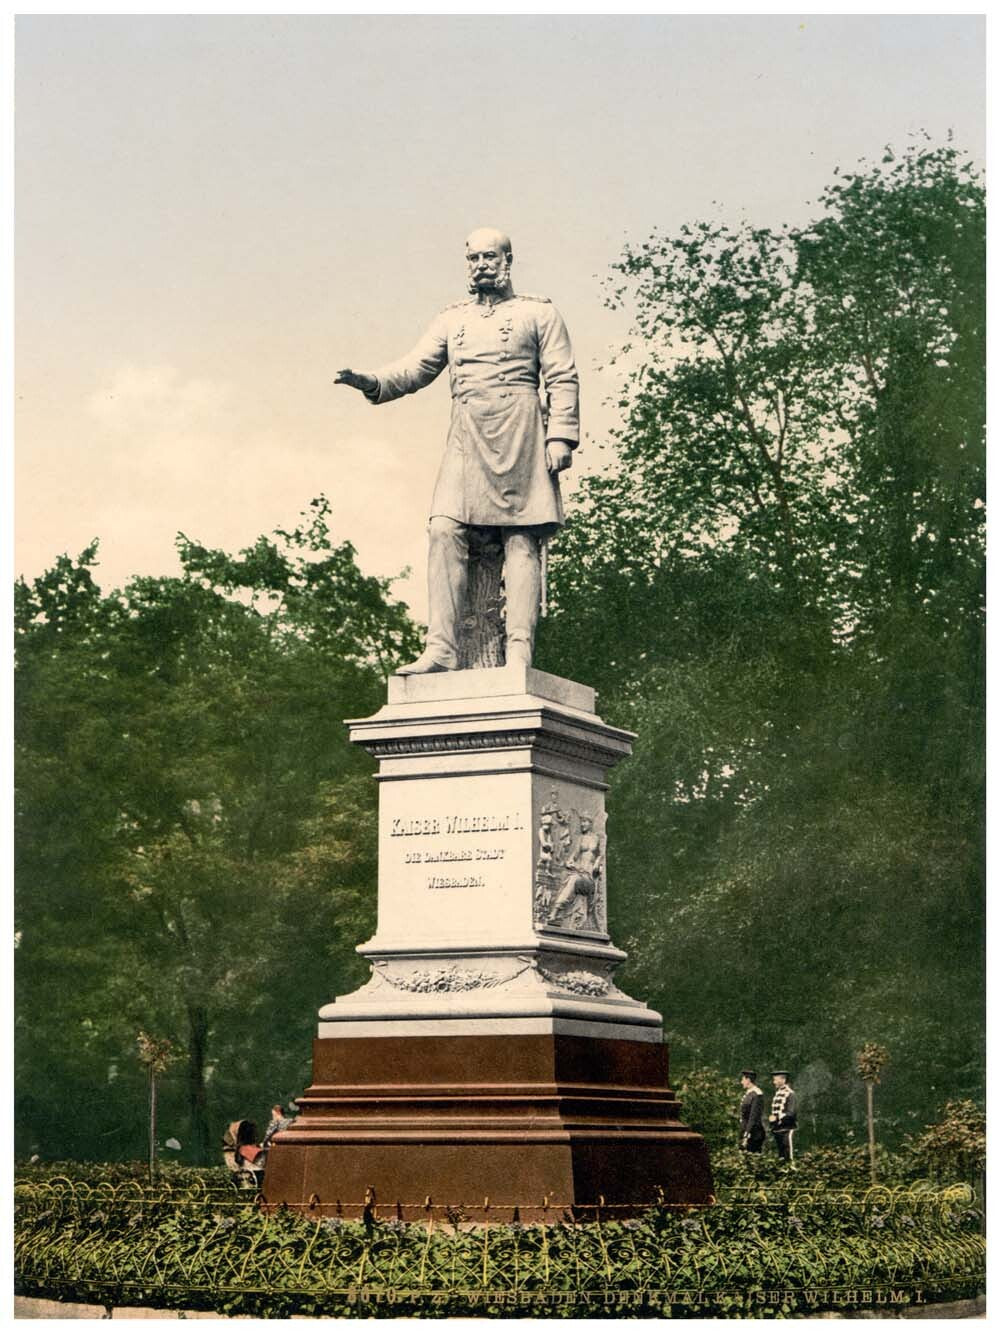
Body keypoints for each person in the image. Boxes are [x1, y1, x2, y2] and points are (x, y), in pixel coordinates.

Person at [335, 227, 579, 674]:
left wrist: (560, 435)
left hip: (521, 429)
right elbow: (416, 368)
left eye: (490, 256)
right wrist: (373, 381)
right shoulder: (453, 319)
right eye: (473, 258)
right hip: (467, 436)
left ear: (508, 259)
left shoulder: (539, 313)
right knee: (443, 530)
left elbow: (562, 377)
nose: (481, 265)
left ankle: (519, 649)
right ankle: (441, 648)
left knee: (521, 538)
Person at [768, 1071, 798, 1162]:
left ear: (783, 1080)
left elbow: (790, 1113)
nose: (774, 1082)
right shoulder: (778, 1093)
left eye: (776, 1080)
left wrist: (778, 1119)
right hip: (778, 1129)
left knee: (788, 1154)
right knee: (781, 1155)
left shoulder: (790, 1094)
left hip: (787, 1129)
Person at [738, 1070, 765, 1153]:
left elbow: (753, 1117)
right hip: (745, 1130)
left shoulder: (757, 1094)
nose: (741, 1082)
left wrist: (747, 1134)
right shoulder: (749, 1093)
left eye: (743, 1080)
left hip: (754, 1133)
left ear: (748, 1080)